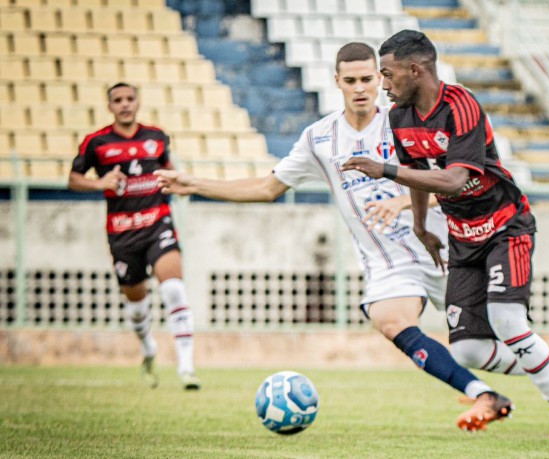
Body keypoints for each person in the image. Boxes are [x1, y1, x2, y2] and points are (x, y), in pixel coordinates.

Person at [155, 43, 518, 432]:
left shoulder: (405, 122)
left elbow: (456, 182)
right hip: (387, 262)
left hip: (443, 247)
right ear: (336, 82)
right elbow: (266, 188)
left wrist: (401, 203)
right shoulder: (320, 138)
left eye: (367, 79)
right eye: (351, 81)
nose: (360, 88)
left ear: (380, 79)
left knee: (491, 342)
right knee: (390, 320)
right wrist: (193, 183)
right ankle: (484, 395)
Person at [341, 30, 549, 439]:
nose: (383, 85)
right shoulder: (398, 118)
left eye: (387, 74)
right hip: (462, 237)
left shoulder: (461, 106)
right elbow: (421, 179)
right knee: (468, 350)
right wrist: (421, 227)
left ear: (415, 70)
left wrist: (383, 169)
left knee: (507, 320)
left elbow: (456, 180)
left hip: (505, 226)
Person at [68, 82, 200, 391]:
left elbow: (169, 169)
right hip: (122, 233)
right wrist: (101, 183)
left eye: (130, 98)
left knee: (174, 291)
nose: (125, 104)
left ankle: (187, 368)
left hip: (158, 224)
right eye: (118, 100)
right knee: (137, 305)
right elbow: (73, 179)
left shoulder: (157, 137)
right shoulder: (96, 142)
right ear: (110, 106)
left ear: (138, 102)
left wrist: (175, 181)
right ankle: (147, 346)